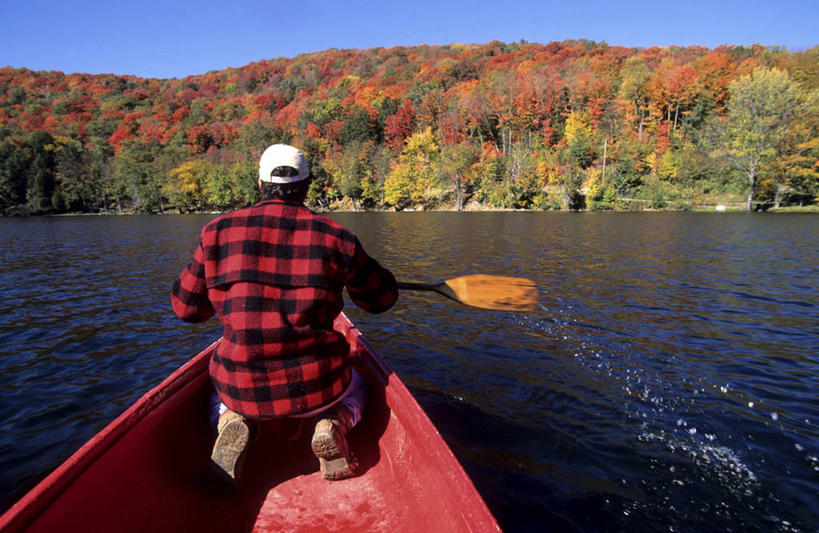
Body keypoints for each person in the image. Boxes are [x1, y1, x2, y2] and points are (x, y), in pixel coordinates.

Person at [171, 143, 398, 486]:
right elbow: (381, 300)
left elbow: (186, 310)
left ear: (260, 184)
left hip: (242, 388)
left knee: (218, 394)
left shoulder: (216, 232)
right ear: (307, 186)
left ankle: (232, 422)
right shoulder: (338, 237)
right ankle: (332, 423)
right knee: (359, 388)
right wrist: (354, 277)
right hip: (318, 388)